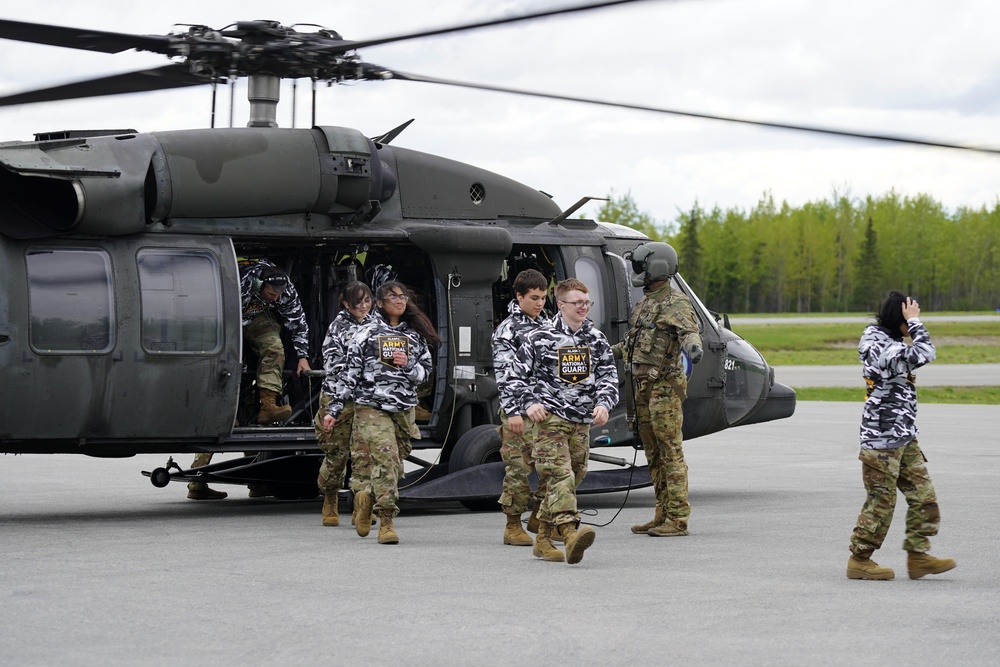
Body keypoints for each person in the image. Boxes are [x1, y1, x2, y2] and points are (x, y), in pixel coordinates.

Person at [505, 278, 618, 564]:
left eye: (586, 302)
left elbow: (609, 377)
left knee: (572, 477)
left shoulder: (596, 338)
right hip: (551, 420)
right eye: (577, 302)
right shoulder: (540, 337)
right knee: (560, 476)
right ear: (562, 304)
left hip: (581, 422)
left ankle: (542, 538)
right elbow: (515, 376)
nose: (583, 307)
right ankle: (568, 532)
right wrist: (529, 403)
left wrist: (604, 403)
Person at [846, 291, 957, 581]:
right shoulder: (878, 347)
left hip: (904, 436)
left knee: (924, 498)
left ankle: (918, 556)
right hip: (881, 440)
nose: (915, 321)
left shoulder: (893, 343)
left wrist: (912, 323)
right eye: (910, 316)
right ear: (901, 319)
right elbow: (925, 353)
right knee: (881, 502)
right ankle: (860, 559)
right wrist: (916, 322)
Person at [186, 259, 312, 501]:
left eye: (279, 294)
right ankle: (197, 482)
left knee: (272, 353)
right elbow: (222, 321)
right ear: (258, 285)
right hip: (225, 323)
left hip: (256, 318)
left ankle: (269, 405)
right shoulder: (241, 282)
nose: (276, 298)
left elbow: (298, 323)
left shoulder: (283, 290)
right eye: (270, 293)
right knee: (225, 418)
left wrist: (303, 356)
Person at [324, 281, 439, 544]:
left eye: (403, 296)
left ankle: (366, 498)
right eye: (392, 297)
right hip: (371, 407)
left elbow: (425, 373)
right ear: (379, 303)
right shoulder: (365, 333)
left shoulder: (415, 334)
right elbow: (349, 375)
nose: (400, 300)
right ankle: (386, 521)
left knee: (396, 467)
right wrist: (335, 409)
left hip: (403, 410)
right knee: (387, 459)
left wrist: (408, 365)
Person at [613, 242, 703, 537]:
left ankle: (678, 519)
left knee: (670, 451)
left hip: (664, 389)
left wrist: (693, 347)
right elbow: (631, 344)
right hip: (643, 388)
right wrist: (599, 353)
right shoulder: (645, 303)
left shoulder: (676, 303)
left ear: (657, 267)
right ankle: (662, 513)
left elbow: (689, 332)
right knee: (652, 452)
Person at [491, 269, 551, 547]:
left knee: (556, 467)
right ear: (519, 296)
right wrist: (513, 411)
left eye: (543, 297)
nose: (539, 303)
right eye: (534, 298)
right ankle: (513, 525)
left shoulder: (551, 324)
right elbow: (504, 375)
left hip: (548, 410)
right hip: (520, 411)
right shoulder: (507, 330)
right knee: (518, 469)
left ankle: (539, 514)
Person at [313, 281, 374, 527]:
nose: (363, 306)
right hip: (338, 397)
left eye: (367, 300)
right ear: (346, 304)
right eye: (358, 302)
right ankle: (329, 497)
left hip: (366, 400)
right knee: (337, 454)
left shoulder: (376, 326)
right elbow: (333, 364)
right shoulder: (337, 328)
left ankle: (361, 507)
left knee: (364, 455)